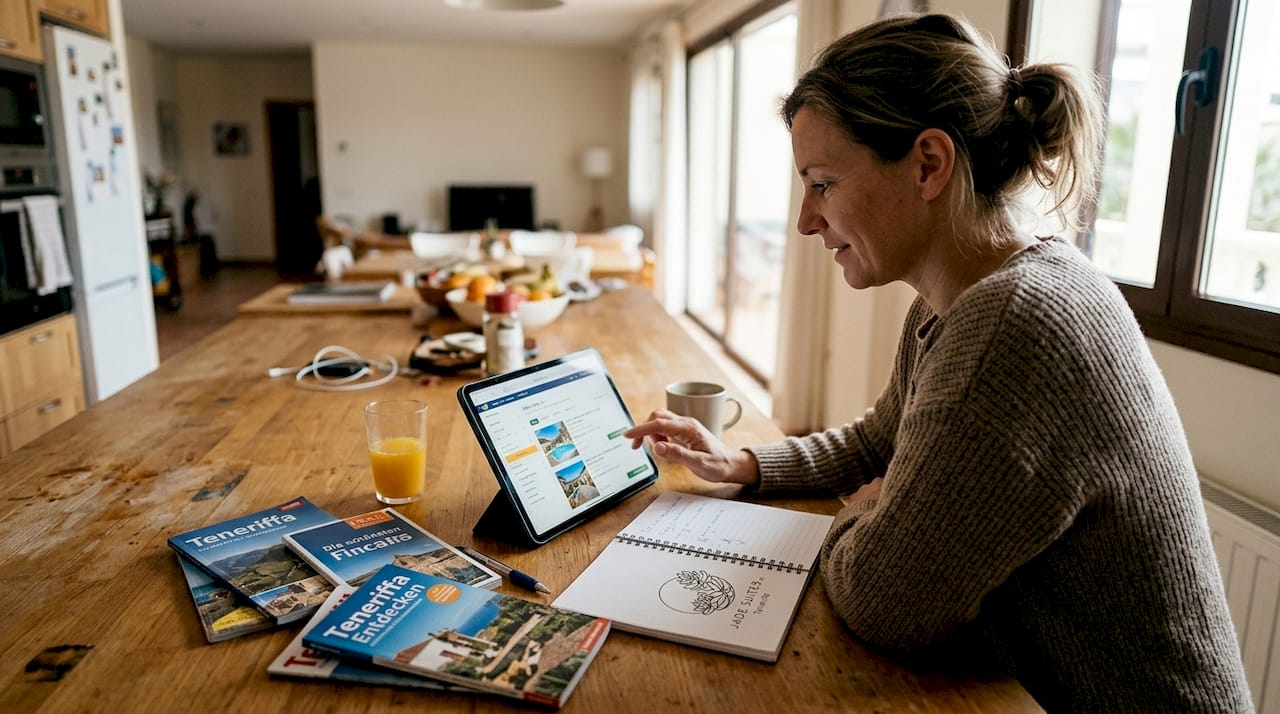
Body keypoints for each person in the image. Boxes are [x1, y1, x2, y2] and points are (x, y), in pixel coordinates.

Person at [624, 12, 1251, 712]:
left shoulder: (1015, 324)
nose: (805, 219)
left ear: (928, 163)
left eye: (823, 183)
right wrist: (748, 465)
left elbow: (884, 601)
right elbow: (875, 442)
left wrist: (869, 512)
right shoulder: (961, 297)